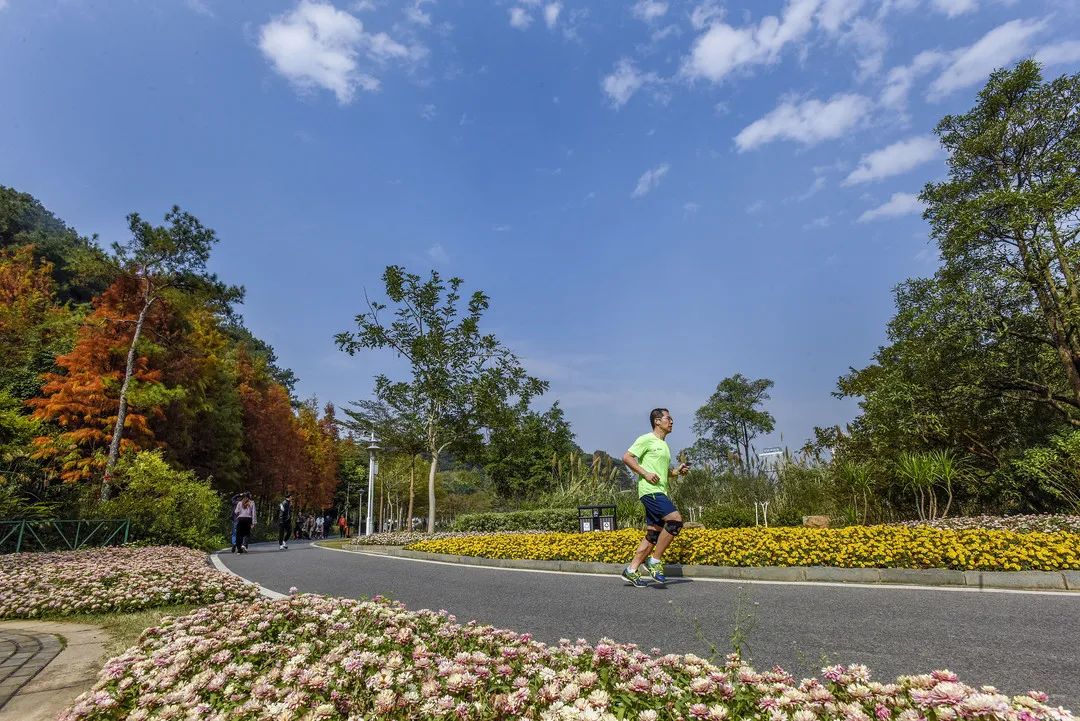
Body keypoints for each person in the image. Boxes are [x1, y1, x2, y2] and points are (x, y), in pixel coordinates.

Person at [620, 408, 690, 587]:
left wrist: (677, 472)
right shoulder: (646, 439)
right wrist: (645, 473)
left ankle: (631, 570)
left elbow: (663, 473)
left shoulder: (664, 445)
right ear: (657, 421)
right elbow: (627, 457)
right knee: (675, 521)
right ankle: (655, 561)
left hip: (660, 490)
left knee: (653, 534)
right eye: (669, 418)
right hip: (650, 491)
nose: (672, 421)